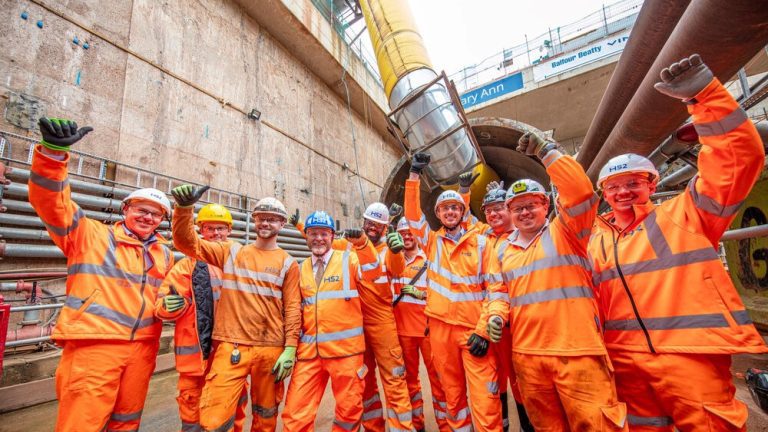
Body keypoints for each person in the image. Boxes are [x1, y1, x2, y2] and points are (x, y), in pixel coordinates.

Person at [589, 54, 768, 431]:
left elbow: (737, 159)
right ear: (604, 192)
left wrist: (704, 97)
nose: (623, 192)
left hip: (691, 357)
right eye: (614, 186)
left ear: (652, 185)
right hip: (624, 362)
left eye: (634, 183)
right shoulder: (595, 239)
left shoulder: (687, 213)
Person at [28, 117, 175, 431]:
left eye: (155, 213)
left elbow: (166, 298)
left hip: (142, 349)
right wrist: (53, 156)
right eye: (141, 209)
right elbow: (51, 203)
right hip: (94, 346)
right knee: (82, 423)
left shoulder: (164, 253)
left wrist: (175, 307)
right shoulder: (90, 235)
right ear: (125, 210)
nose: (148, 217)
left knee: (126, 422)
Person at [486, 131, 627, 430]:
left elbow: (580, 193)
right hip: (528, 358)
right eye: (517, 207)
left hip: (578, 355)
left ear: (545, 206)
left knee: (597, 425)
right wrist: (496, 315)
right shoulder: (504, 250)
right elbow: (499, 291)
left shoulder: (566, 233)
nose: (524, 212)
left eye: (531, 205)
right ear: (509, 213)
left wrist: (548, 153)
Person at [171, 186, 301, 432]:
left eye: (272, 219)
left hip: (271, 348)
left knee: (266, 414)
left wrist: (290, 348)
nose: (266, 223)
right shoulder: (230, 252)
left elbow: (293, 307)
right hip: (231, 346)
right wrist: (184, 209)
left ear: (282, 224)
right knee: (213, 419)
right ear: (254, 221)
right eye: (261, 218)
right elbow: (187, 243)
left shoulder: (288, 263)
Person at [293, 203, 414, 432]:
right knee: (364, 384)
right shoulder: (348, 245)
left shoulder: (389, 250)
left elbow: (397, 271)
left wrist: (398, 251)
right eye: (369, 222)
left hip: (382, 322)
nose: (371, 228)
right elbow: (322, 239)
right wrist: (300, 225)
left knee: (394, 380)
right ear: (364, 222)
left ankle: (403, 428)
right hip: (355, 324)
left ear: (385, 227)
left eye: (377, 225)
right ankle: (373, 427)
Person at [405, 154, 502, 432]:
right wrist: (413, 176)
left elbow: (495, 289)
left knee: (486, 398)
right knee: (453, 397)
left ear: (463, 212)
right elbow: (412, 216)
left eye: (455, 208)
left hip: (474, 331)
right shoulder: (431, 242)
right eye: (444, 209)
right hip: (440, 332)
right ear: (438, 214)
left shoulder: (482, 243)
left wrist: (484, 331)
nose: (450, 213)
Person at [282, 211, 382, 431]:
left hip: (345, 354)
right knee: (295, 414)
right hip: (310, 354)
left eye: (324, 234)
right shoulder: (300, 268)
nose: (318, 238)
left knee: (348, 412)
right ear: (305, 236)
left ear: (332, 236)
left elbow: (375, 273)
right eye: (313, 233)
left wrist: (364, 245)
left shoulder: (350, 260)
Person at [155, 203, 248, 431]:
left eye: (220, 229)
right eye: (210, 229)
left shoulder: (242, 264)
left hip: (230, 351)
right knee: (192, 406)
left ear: (229, 231)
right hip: (196, 356)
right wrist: (171, 306)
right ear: (200, 231)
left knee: (234, 402)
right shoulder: (187, 266)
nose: (216, 234)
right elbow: (161, 306)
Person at [391, 218, 450, 432]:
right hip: (402, 332)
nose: (407, 236)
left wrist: (421, 294)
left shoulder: (429, 259)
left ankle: (445, 426)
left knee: (439, 381)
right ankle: (418, 425)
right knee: (410, 383)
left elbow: (443, 291)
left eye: (410, 232)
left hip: (427, 331)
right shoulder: (391, 260)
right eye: (402, 233)